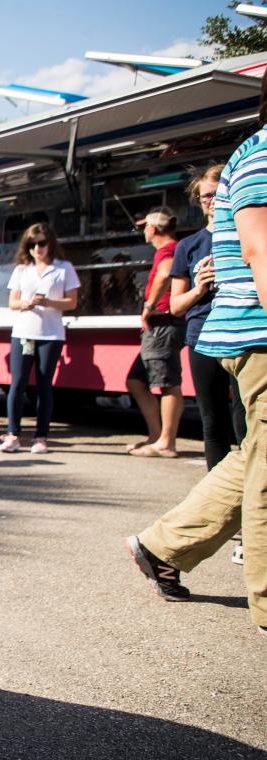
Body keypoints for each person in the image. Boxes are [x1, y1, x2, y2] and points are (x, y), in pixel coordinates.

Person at [125, 94, 267, 636]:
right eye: (202, 196)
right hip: (244, 335)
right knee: (251, 455)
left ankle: (162, 545)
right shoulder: (260, 160)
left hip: (233, 333)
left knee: (252, 451)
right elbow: (257, 254)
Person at [168, 165, 247, 563]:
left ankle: (251, 519)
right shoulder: (189, 246)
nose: (211, 202)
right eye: (204, 197)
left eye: (216, 194)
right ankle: (224, 520)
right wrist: (200, 287)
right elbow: (174, 305)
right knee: (214, 426)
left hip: (244, 337)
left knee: (245, 425)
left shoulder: (244, 232)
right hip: (203, 339)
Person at [0, 224, 80, 454]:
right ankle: (12, 434)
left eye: (42, 243)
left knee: (44, 385)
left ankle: (40, 437)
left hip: (51, 334)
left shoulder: (63, 268)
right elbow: (12, 302)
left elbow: (72, 302)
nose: (37, 249)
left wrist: (48, 302)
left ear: (50, 243)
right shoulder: (22, 270)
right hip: (24, 332)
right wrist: (24, 303)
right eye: (32, 244)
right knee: (17, 383)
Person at [126, 207, 183, 458]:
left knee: (167, 382)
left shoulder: (168, 251)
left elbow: (165, 274)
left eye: (144, 228)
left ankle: (166, 442)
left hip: (163, 322)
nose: (143, 232)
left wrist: (148, 307)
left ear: (152, 229)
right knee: (136, 379)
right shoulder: (170, 249)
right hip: (159, 324)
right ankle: (156, 435)